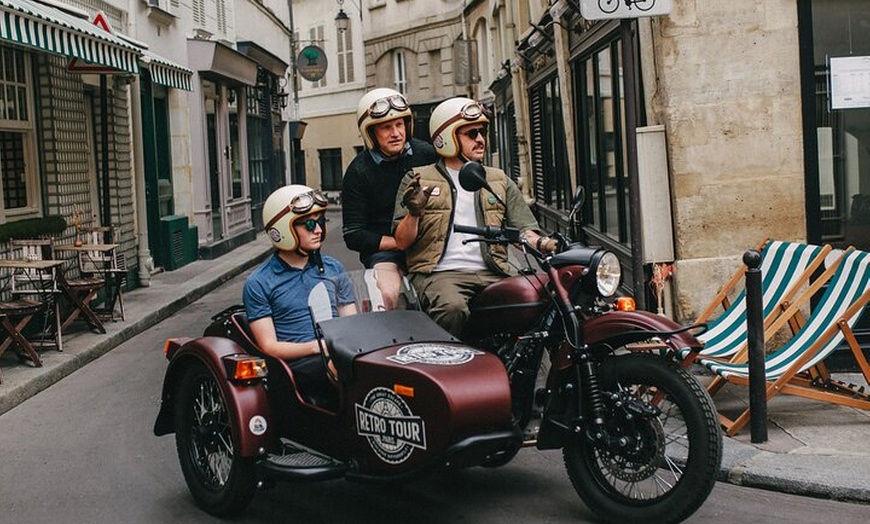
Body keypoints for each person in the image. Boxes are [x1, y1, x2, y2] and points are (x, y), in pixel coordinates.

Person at [393, 97, 557, 338]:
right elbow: (401, 241)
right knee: (452, 308)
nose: (480, 139)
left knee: (544, 297)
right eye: (471, 133)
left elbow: (524, 229)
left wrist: (544, 243)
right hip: (440, 273)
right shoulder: (417, 179)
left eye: (482, 132)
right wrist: (414, 213)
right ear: (447, 137)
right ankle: (449, 369)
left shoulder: (498, 179)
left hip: (495, 270)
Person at [244, 185, 356, 403]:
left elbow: (351, 322)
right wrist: (319, 346)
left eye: (321, 222)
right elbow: (269, 346)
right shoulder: (259, 282)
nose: (319, 230)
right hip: (297, 364)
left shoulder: (334, 268)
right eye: (310, 224)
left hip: (338, 355)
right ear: (283, 230)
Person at [341, 88, 438, 309]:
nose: (395, 133)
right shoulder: (358, 172)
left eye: (399, 124)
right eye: (386, 127)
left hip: (431, 243)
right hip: (386, 252)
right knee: (388, 294)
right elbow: (353, 234)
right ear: (370, 133)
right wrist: (399, 243)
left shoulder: (428, 154)